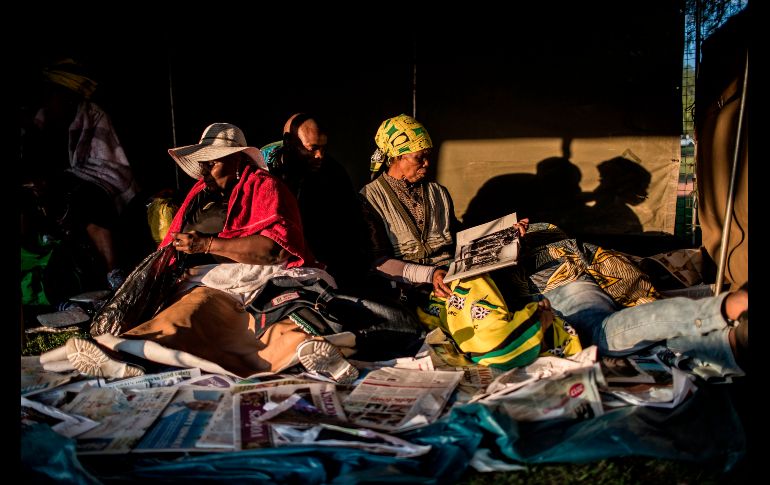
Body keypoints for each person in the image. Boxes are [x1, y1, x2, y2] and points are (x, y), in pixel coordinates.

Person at [40, 123, 359, 384]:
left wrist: (206, 245)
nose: (204, 171)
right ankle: (119, 357)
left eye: (213, 162)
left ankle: (313, 355)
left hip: (268, 278)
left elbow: (273, 251)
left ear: (238, 160)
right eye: (201, 164)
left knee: (279, 322)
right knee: (191, 317)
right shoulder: (198, 195)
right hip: (211, 282)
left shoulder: (265, 187)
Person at [20, 58, 139, 291]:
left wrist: (59, 180)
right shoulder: (38, 120)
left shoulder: (93, 115)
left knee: (89, 201)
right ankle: (35, 274)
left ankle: (112, 273)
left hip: (93, 181)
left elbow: (107, 165)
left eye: (59, 94)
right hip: (52, 184)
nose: (53, 99)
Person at [260, 113, 370, 292]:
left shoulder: (334, 172)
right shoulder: (265, 166)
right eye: (312, 148)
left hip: (325, 262)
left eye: (324, 148)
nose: (320, 155)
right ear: (289, 142)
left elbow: (352, 223)